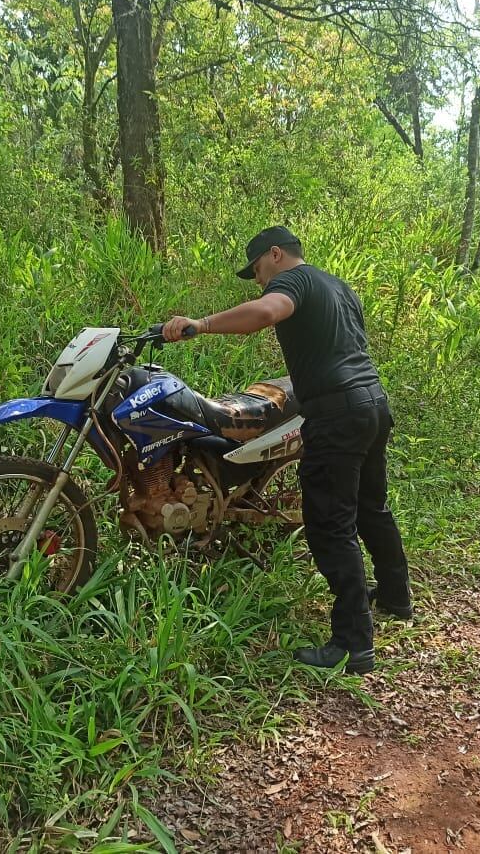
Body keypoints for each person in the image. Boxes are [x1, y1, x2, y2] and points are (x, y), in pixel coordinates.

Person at [163, 225, 413, 674]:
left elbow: (265, 313)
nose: (260, 280)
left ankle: (353, 644)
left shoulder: (292, 281)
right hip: (372, 404)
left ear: (276, 254)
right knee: (371, 507)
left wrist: (198, 325)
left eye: (258, 270)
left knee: (329, 525)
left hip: (337, 414)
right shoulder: (338, 285)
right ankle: (395, 597)